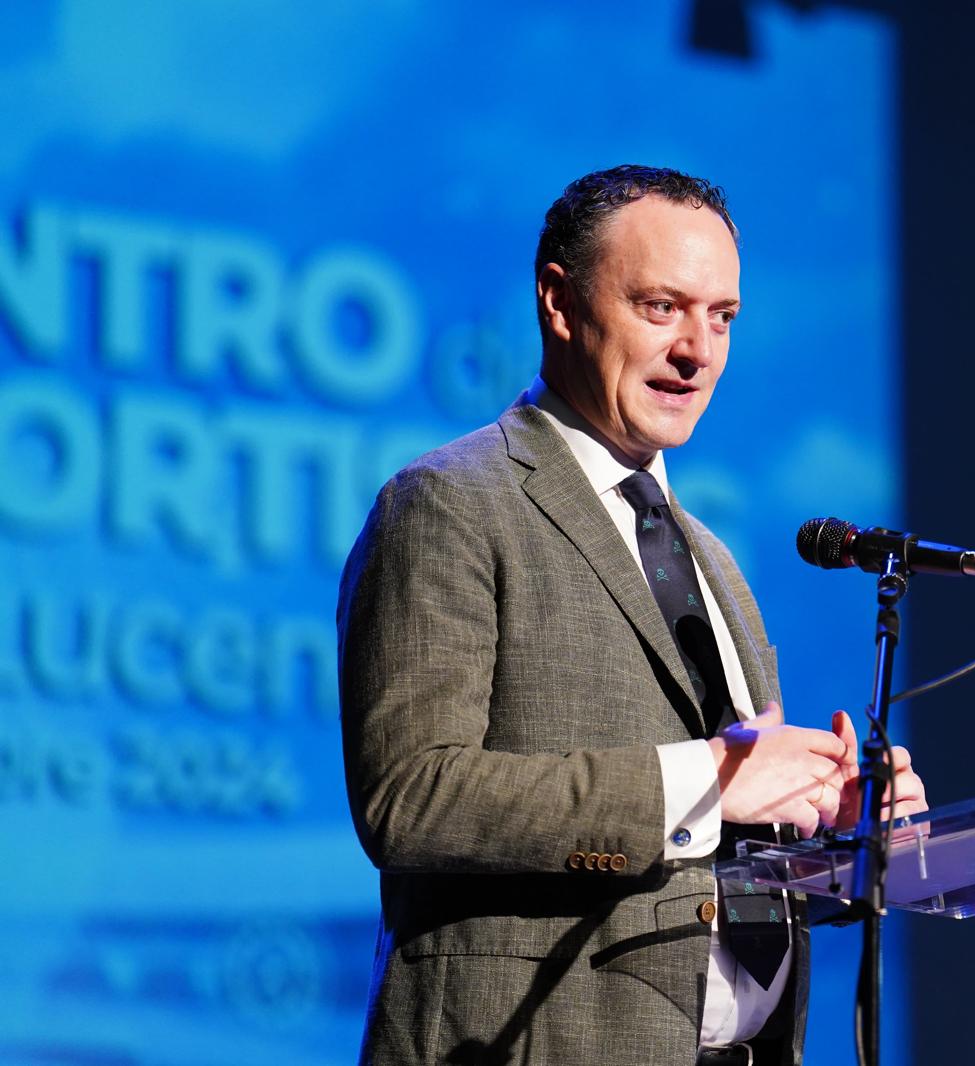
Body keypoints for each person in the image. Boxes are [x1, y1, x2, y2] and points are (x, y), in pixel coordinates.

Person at [337, 165, 926, 1066]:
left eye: (722, 317)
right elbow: (411, 797)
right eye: (662, 307)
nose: (698, 349)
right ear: (559, 303)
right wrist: (711, 783)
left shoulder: (714, 561)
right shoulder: (451, 504)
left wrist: (830, 820)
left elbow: (715, 847)